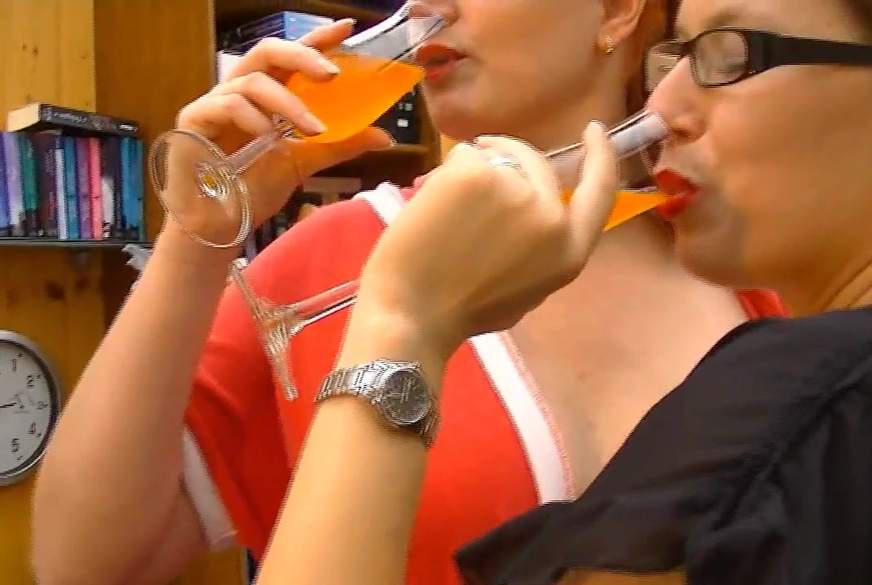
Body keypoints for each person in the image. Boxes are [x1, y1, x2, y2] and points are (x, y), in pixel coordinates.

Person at [31, 1, 782, 584]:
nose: (427, 7)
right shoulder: (338, 257)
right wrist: (196, 236)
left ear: (616, 11)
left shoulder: (744, 262)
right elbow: (84, 562)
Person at [237, 0, 872, 583]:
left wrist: (401, 327)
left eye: (730, 55)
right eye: (676, 57)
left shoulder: (804, 392)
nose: (662, 107)